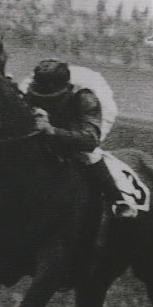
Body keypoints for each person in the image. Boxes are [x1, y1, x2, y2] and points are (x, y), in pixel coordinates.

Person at [22, 60, 136, 219]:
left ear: (67, 89)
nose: (47, 102)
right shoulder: (28, 88)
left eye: (52, 98)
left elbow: (90, 140)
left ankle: (117, 199)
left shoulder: (86, 97)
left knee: (85, 153)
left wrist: (53, 131)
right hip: (58, 107)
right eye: (42, 98)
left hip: (85, 117)